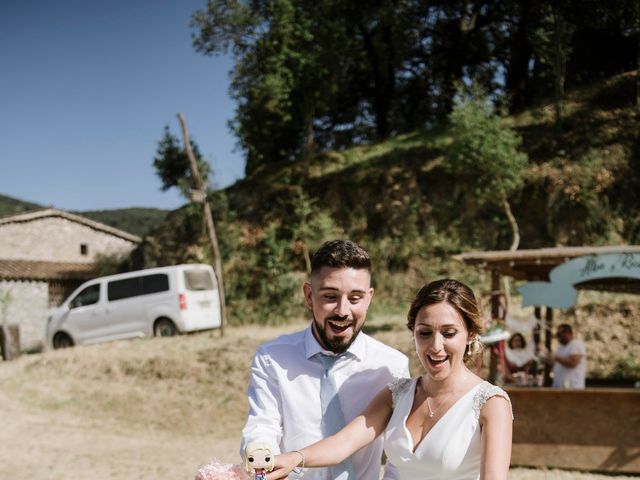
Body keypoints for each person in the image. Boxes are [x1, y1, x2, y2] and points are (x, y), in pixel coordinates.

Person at [269, 278, 513, 480]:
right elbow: (343, 443)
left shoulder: (490, 403)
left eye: (448, 333)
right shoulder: (398, 394)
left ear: (469, 334)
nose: (435, 346)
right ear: (413, 334)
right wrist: (294, 458)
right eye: (424, 333)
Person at [240, 239, 410, 480]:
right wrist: (260, 453)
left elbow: (399, 451)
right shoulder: (272, 358)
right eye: (330, 296)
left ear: (369, 298)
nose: (342, 311)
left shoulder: (392, 366)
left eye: (355, 298)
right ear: (309, 296)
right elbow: (263, 425)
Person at [551, 323, 586, 389]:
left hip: (572, 386)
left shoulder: (576, 344)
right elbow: (558, 363)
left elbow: (573, 363)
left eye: (559, 334)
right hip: (560, 386)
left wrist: (556, 357)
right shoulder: (561, 347)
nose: (558, 337)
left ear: (567, 333)